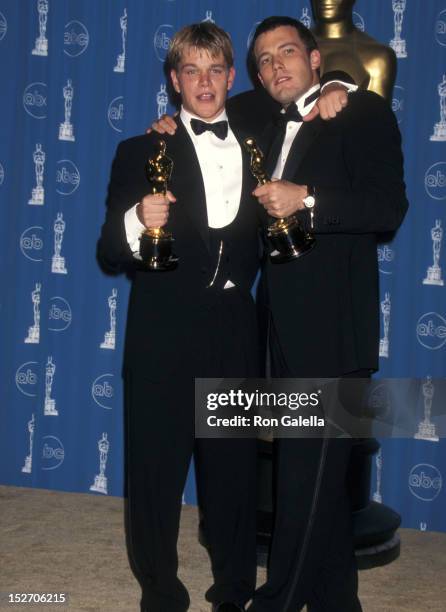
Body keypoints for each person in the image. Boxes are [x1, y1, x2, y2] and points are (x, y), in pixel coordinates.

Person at [244, 16, 408, 612]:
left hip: (334, 325)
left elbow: (387, 207)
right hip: (277, 325)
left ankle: (278, 602)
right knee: (313, 475)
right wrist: (169, 122)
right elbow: (206, 100)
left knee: (302, 477)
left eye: (287, 52)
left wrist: (307, 199)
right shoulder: (262, 119)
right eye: (263, 60)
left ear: (316, 60)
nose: (274, 66)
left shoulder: (361, 113)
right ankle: (339, 601)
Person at [98, 22, 261, 612]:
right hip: (162, 333)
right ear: (174, 81)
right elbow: (109, 251)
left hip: (237, 331)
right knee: (155, 473)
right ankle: (160, 591)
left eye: (215, 68)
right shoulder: (142, 151)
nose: (205, 81)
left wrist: (340, 82)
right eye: (191, 70)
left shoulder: (259, 142)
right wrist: (139, 219)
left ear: (231, 77)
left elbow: (306, 94)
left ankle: (236, 585)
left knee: (233, 472)